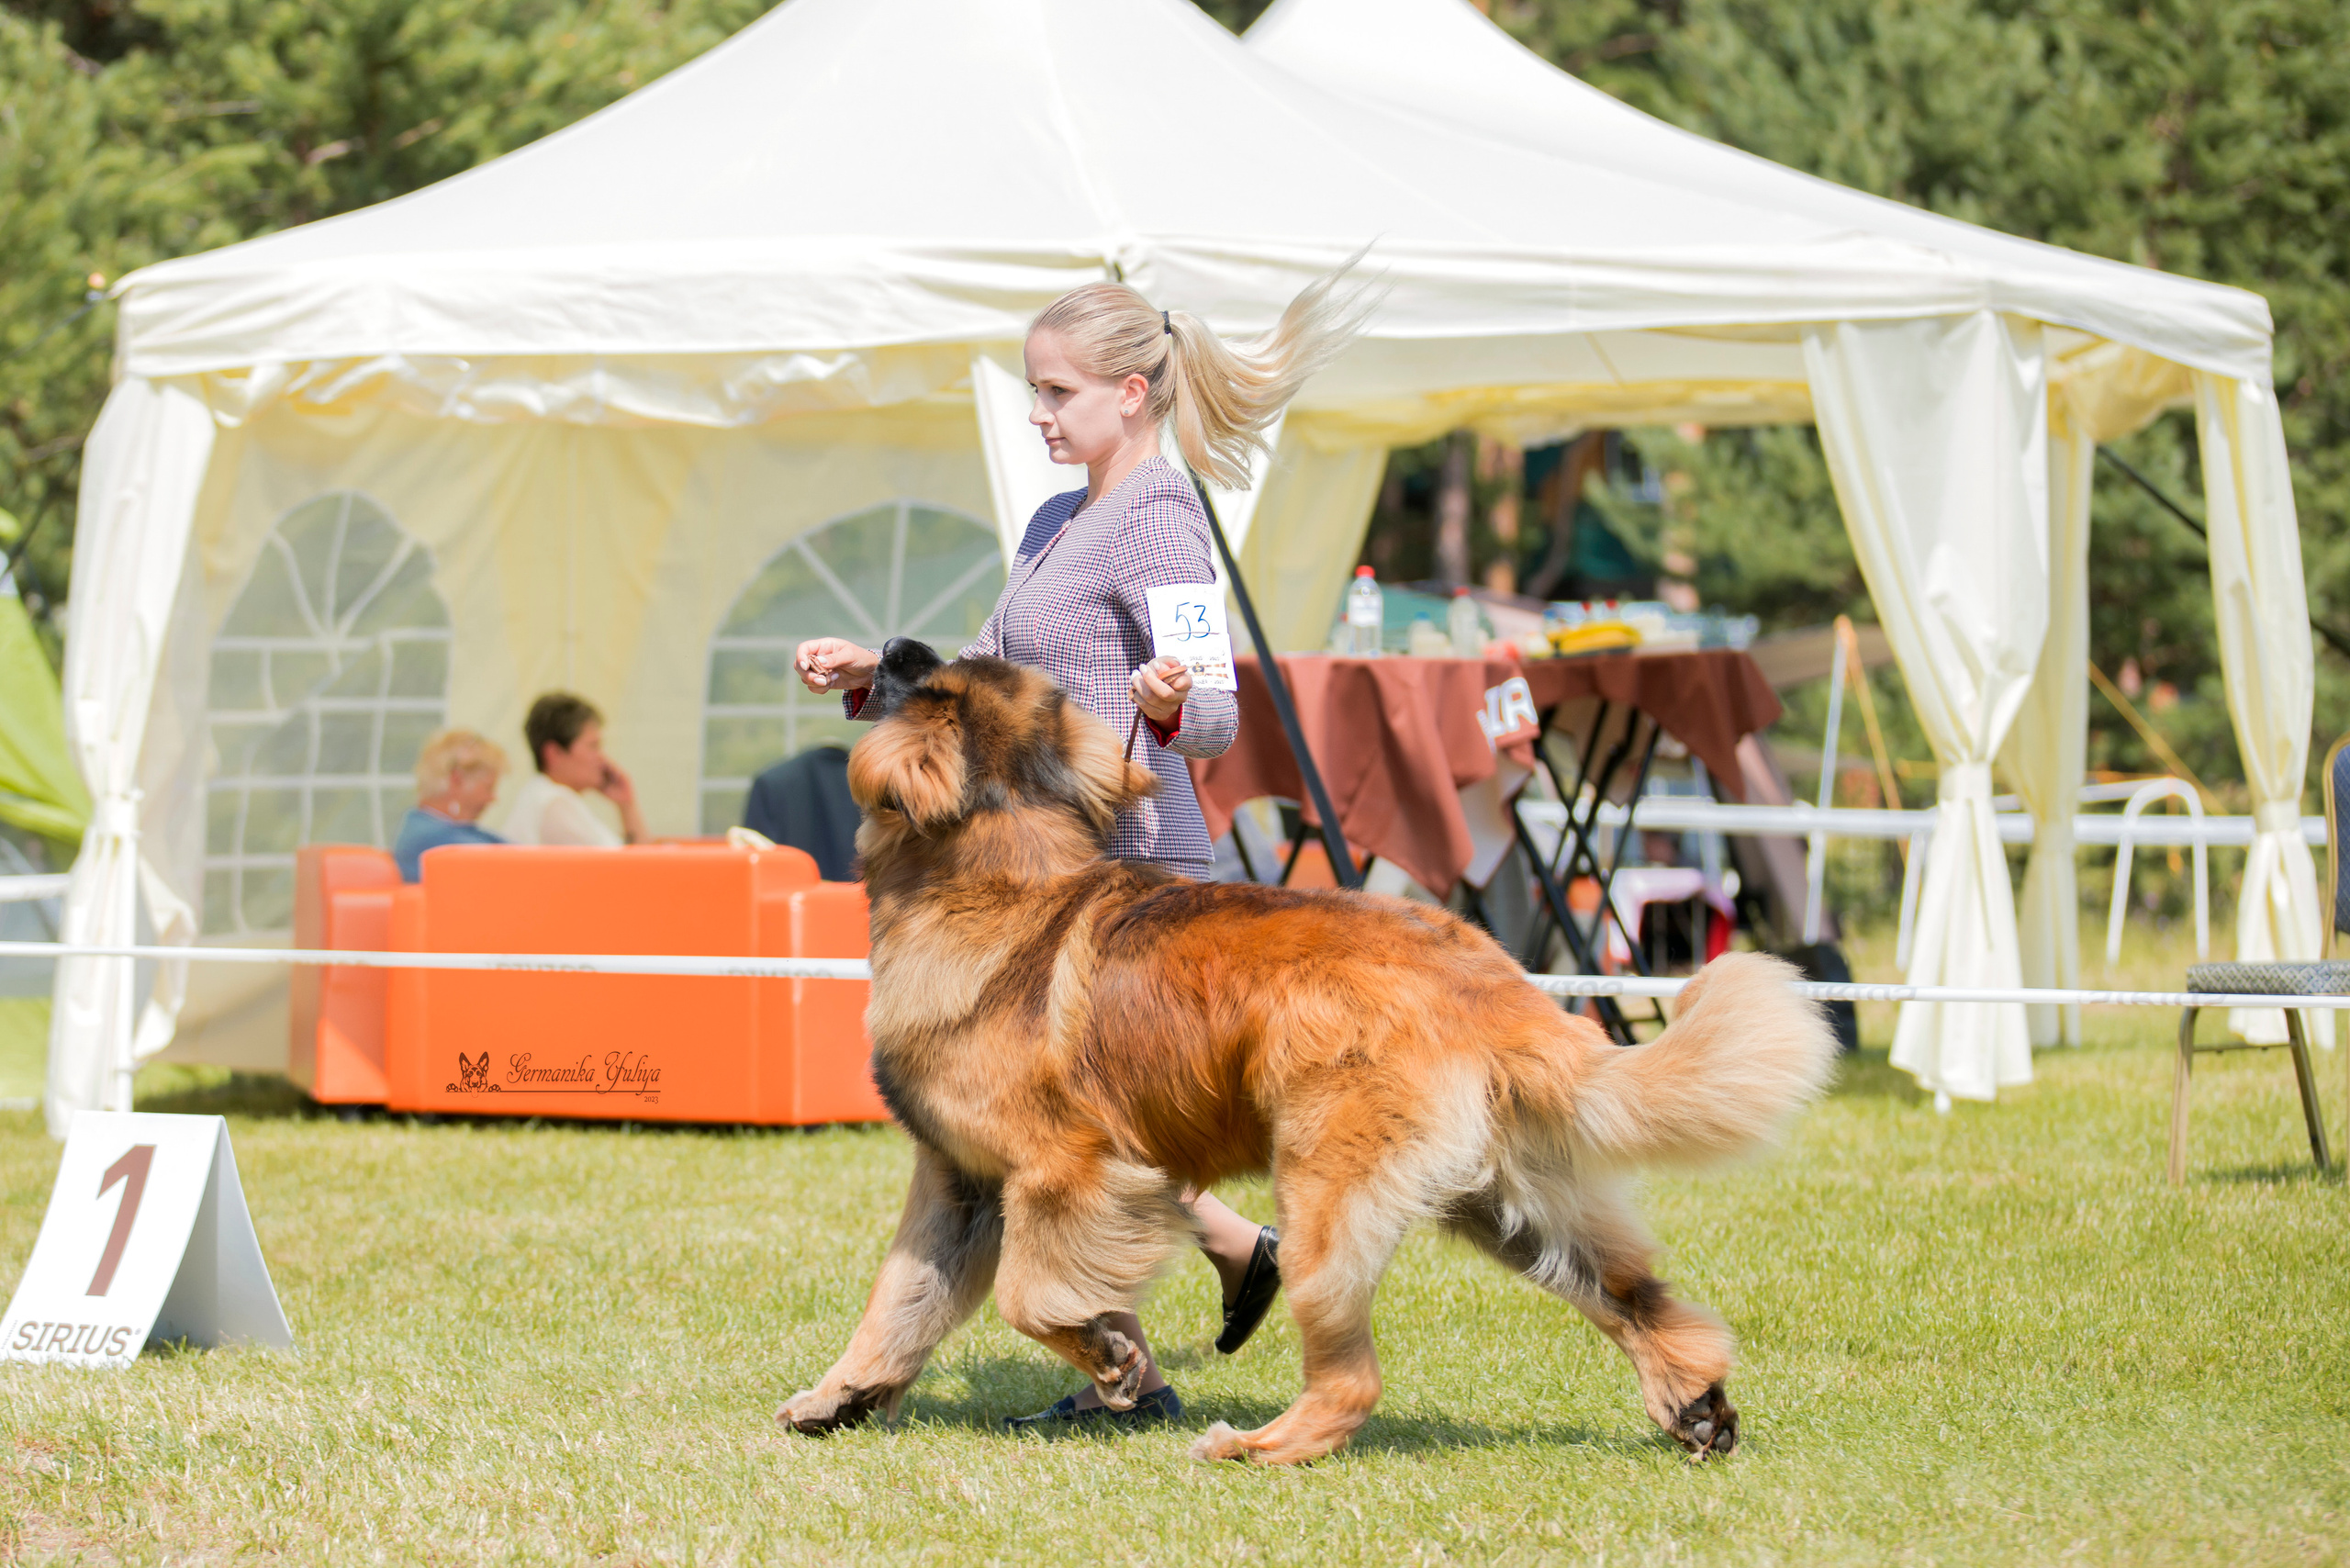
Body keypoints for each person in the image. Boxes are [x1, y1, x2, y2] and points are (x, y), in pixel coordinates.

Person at [793, 265, 1365, 1430]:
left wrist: (1168, 699)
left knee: (1053, 1135)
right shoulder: (1059, 518)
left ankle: (1162, 1334)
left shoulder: (1161, 514)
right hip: (1037, 881)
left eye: (1056, 392)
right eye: (1032, 390)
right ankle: (1154, 1342)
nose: (1039, 415)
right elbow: (999, 674)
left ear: (1133, 392)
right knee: (1045, 1130)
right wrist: (882, 672)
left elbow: (1213, 711)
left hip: (1134, 871)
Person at [502, 691, 645, 847]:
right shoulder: (554, 804)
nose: (602, 758)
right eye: (593, 746)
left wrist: (626, 804)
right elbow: (635, 869)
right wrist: (628, 807)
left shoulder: (548, 797)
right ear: (554, 753)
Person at [391, 729, 509, 882]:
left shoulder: (438, 828)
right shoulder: (432, 838)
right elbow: (510, 866)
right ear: (457, 780)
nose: (493, 798)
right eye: (488, 788)